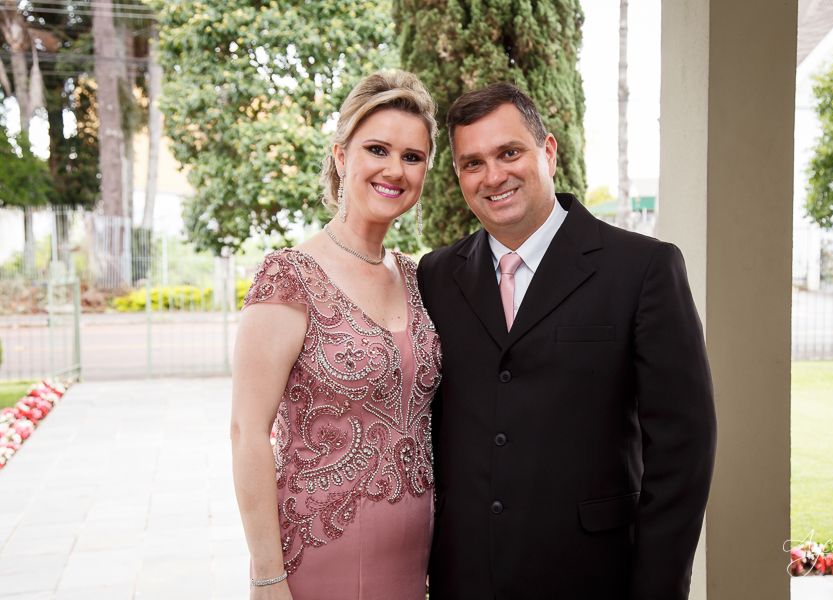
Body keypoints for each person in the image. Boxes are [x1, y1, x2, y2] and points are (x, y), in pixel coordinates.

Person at [417, 82, 717, 599]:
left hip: (594, 578)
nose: (494, 176)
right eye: (473, 163)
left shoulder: (642, 268)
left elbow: (683, 451)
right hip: (463, 579)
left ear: (548, 151)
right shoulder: (435, 277)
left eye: (509, 152)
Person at [230, 70, 442, 600]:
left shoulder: (417, 277)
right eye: (377, 149)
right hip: (322, 555)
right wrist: (266, 575)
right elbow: (247, 433)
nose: (395, 169)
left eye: (412, 157)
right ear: (342, 156)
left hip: (417, 557)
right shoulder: (290, 276)